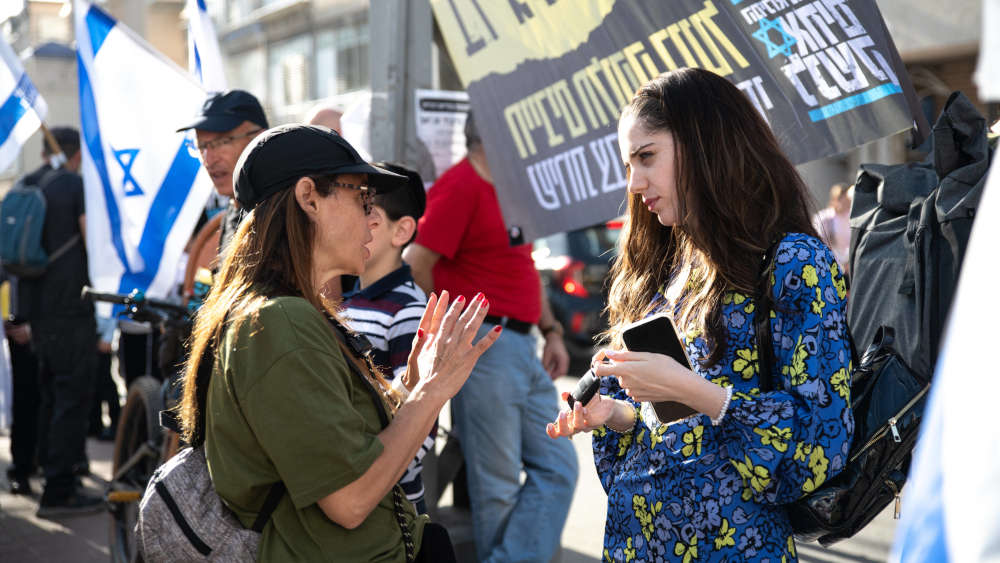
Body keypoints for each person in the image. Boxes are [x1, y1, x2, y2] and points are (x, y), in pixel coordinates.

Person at [546, 68, 854, 562]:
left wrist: (689, 389)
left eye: (647, 157)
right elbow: (672, 431)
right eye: (628, 163)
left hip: (734, 548)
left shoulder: (792, 263)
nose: (634, 182)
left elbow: (820, 439)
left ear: (705, 144)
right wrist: (619, 416)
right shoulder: (666, 264)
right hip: (640, 544)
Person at [177, 124, 500, 561]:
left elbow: (350, 445)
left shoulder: (286, 311)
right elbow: (349, 500)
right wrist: (431, 393)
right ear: (309, 197)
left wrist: (411, 387)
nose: (371, 218)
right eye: (362, 198)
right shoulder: (278, 320)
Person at [404, 113, 579, 563]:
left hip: (523, 343)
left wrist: (552, 331)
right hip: (483, 342)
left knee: (559, 467)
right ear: (491, 139)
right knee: (496, 485)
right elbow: (416, 260)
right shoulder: (461, 186)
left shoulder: (511, 189)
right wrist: (445, 330)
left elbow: (523, 268)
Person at [18, 127, 102, 517]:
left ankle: (47, 473)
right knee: (72, 398)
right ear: (76, 153)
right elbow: (90, 240)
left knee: (50, 395)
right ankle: (60, 490)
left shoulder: (28, 183)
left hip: (38, 312)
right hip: (71, 308)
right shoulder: (73, 185)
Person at [342, 162, 433, 514]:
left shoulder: (409, 310)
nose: (357, 226)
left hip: (391, 504)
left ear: (402, 231)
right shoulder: (345, 297)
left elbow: (422, 421)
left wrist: (373, 475)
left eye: (372, 217)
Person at [176, 89, 269, 259]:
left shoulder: (284, 210)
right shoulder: (233, 212)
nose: (209, 159)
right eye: (201, 146)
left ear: (260, 138)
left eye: (222, 142)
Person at [811, 183, 852, 273]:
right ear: (835, 199)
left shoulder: (852, 218)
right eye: (843, 200)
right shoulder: (824, 218)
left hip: (849, 266)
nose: (846, 204)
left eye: (847, 201)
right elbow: (819, 243)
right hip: (830, 265)